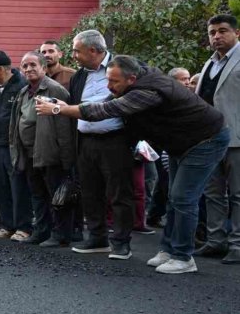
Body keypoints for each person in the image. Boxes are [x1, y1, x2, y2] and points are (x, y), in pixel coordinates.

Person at [37, 55, 229, 275]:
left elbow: (106, 110)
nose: (109, 87)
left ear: (132, 78)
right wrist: (69, 106)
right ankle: (169, 250)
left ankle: (183, 256)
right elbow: (107, 102)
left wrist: (59, 110)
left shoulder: (147, 92)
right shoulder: (138, 81)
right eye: (108, 80)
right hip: (182, 142)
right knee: (174, 199)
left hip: (205, 140)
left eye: (114, 82)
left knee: (183, 199)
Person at [67, 29, 134, 258]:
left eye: (77, 51)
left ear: (93, 50)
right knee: (90, 192)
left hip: (115, 140)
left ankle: (121, 242)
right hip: (85, 141)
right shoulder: (78, 76)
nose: (73, 55)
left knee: (119, 193)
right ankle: (97, 237)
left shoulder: (122, 67)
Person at [10, 51, 76, 247]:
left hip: (50, 154)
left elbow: (64, 128)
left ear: (44, 68)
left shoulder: (55, 90)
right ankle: (41, 231)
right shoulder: (24, 92)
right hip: (29, 154)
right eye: (25, 66)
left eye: (33, 65)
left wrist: (66, 159)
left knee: (57, 196)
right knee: (37, 195)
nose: (28, 69)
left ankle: (60, 234)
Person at [196, 14, 240, 264]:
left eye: (222, 31)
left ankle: (237, 244)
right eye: (212, 32)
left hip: (237, 138)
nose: (216, 36)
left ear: (237, 33)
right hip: (210, 140)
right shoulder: (209, 64)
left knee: (237, 195)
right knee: (213, 194)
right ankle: (216, 240)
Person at [0, 50, 32, 241]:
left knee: (18, 187)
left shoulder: (22, 86)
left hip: (14, 146)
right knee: (0, 186)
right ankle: (7, 224)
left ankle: (24, 227)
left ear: (2, 69)